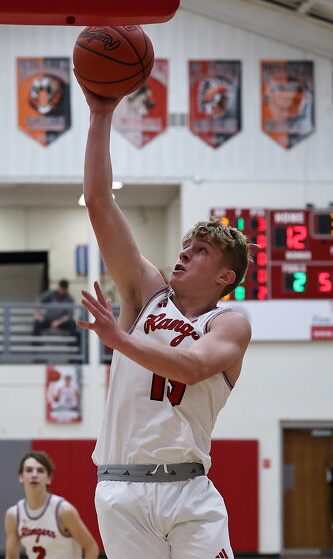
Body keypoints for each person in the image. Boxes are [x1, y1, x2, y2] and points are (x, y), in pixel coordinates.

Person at [75, 82, 253, 559]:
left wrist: (118, 338)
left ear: (225, 277)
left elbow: (193, 368)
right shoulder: (145, 292)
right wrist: (100, 115)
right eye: (185, 247)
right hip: (120, 490)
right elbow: (98, 201)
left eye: (201, 252)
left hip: (188, 492)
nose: (184, 254)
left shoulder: (228, 323)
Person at [4, 451, 99, 559]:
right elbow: (11, 556)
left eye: (40, 471)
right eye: (29, 470)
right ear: (21, 476)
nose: (34, 475)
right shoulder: (14, 515)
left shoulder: (64, 511)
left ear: (49, 478)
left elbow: (91, 548)